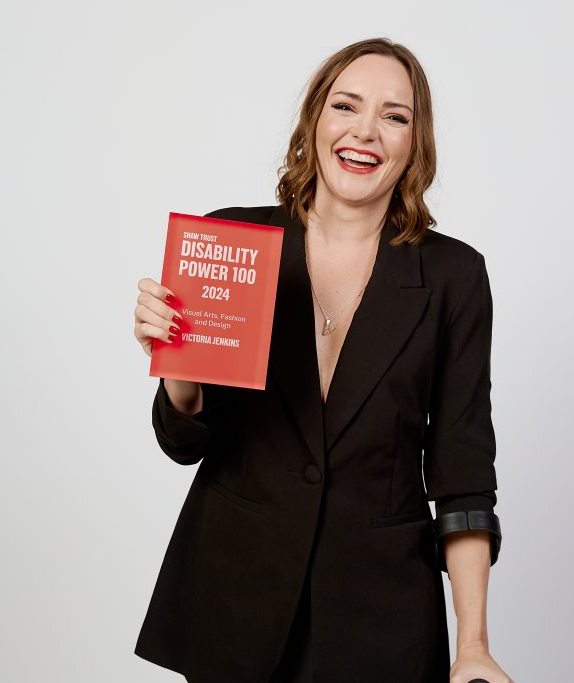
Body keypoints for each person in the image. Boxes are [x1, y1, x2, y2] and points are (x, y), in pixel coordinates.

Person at [132, 38, 513, 683]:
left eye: (395, 116)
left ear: (415, 147)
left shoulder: (454, 275)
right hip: (233, 603)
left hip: (379, 617)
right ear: (315, 120)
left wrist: (471, 644)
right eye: (346, 105)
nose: (365, 131)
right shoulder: (231, 243)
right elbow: (186, 440)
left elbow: (463, 471)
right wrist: (176, 359)